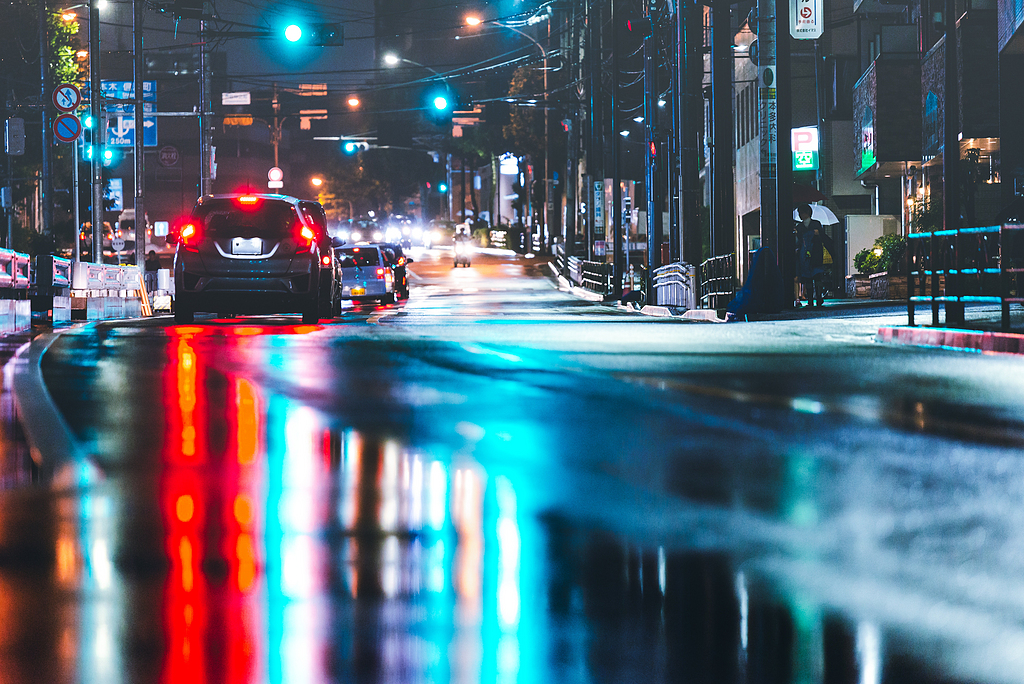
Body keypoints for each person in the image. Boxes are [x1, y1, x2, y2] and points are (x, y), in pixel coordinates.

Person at [795, 204, 826, 307]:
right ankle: (811, 300)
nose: (800, 215)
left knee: (816, 277)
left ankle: (818, 298)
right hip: (806, 255)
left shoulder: (815, 224)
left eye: (801, 213)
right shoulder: (799, 227)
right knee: (808, 278)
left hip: (814, 254)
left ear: (807, 213)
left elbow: (822, 237)